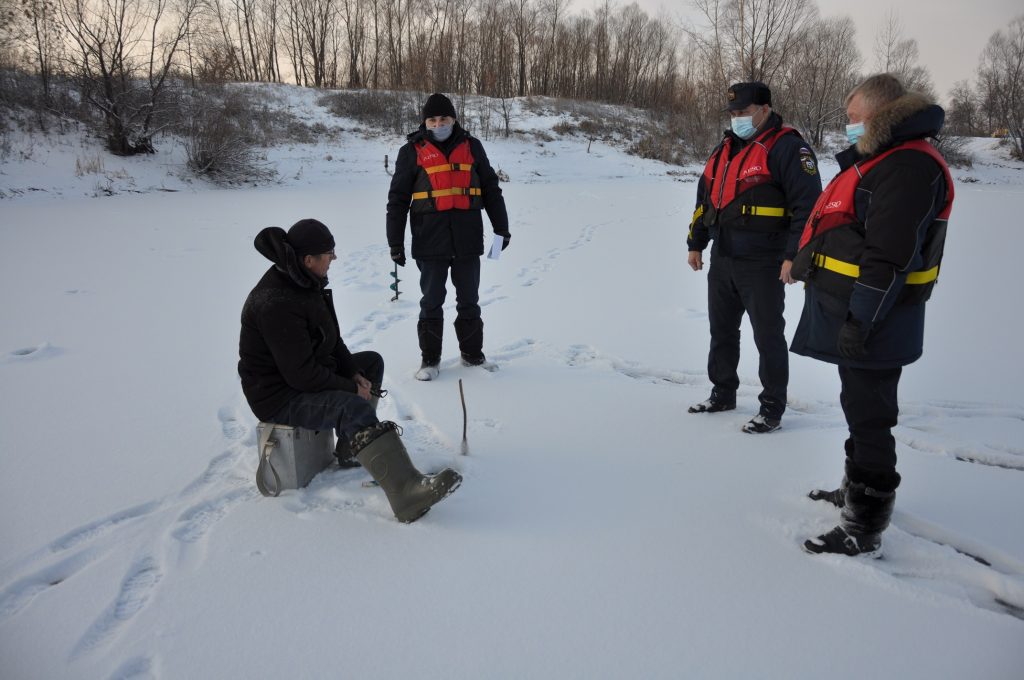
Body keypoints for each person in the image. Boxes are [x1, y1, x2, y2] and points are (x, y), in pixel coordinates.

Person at [790, 74, 954, 556]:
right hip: (860, 314)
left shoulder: (906, 168)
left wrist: (862, 321)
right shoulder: (887, 160)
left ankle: (865, 524)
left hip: (878, 319)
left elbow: (887, 258)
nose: (848, 127)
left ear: (882, 115)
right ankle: (852, 490)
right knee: (858, 407)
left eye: (855, 119)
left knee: (871, 419)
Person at [238, 218, 462, 522]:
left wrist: (353, 373)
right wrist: (350, 389)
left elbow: (331, 339)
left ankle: (351, 448)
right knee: (351, 406)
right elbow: (301, 376)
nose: (333, 260)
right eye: (329, 254)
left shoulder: (304, 281)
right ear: (309, 260)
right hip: (277, 394)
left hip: (300, 374)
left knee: (370, 363)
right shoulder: (275, 302)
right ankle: (406, 494)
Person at [686, 81, 822, 433]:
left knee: (767, 335)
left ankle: (772, 407)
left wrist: (794, 257)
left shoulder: (789, 148)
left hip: (766, 261)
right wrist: (696, 243)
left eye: (743, 113)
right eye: (732, 113)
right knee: (722, 332)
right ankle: (722, 392)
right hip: (724, 257)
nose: (737, 119)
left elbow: (808, 208)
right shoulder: (725, 149)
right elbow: (705, 200)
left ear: (765, 109)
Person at [387, 92, 511, 381]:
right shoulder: (411, 151)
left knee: (469, 299)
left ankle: (472, 356)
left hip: (467, 239)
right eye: (432, 119)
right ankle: (430, 360)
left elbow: (491, 190)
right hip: (429, 241)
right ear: (425, 122)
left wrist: (501, 228)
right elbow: (397, 200)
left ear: (454, 119)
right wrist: (395, 241)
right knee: (431, 300)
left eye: (443, 118)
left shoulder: (472, 146)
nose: (438, 123)